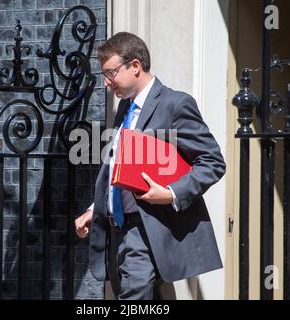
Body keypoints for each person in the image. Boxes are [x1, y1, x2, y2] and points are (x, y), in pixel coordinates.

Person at [75, 32, 226, 300]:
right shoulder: (125, 107)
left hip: (147, 228)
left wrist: (171, 193)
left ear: (135, 66)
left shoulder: (175, 104)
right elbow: (118, 166)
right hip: (116, 230)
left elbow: (212, 162)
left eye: (111, 73)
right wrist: (95, 208)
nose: (106, 82)